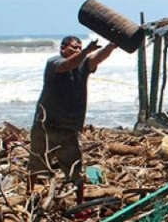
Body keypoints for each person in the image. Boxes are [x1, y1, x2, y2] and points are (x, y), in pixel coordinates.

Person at [27, 36, 117, 204]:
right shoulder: (54, 62)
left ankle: (80, 203)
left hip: (69, 128)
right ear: (63, 49)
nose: (77, 50)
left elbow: (97, 57)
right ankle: (29, 195)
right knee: (35, 163)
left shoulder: (83, 64)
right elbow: (68, 64)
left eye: (79, 48)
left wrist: (111, 46)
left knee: (75, 168)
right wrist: (85, 51)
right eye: (73, 48)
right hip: (46, 125)